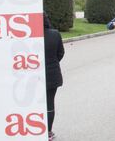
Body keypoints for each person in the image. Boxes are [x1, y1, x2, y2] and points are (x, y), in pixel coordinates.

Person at [44, 13, 65, 141]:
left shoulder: (31, 37)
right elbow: (61, 53)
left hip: (35, 76)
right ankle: (48, 131)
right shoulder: (55, 34)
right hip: (52, 73)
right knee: (50, 103)